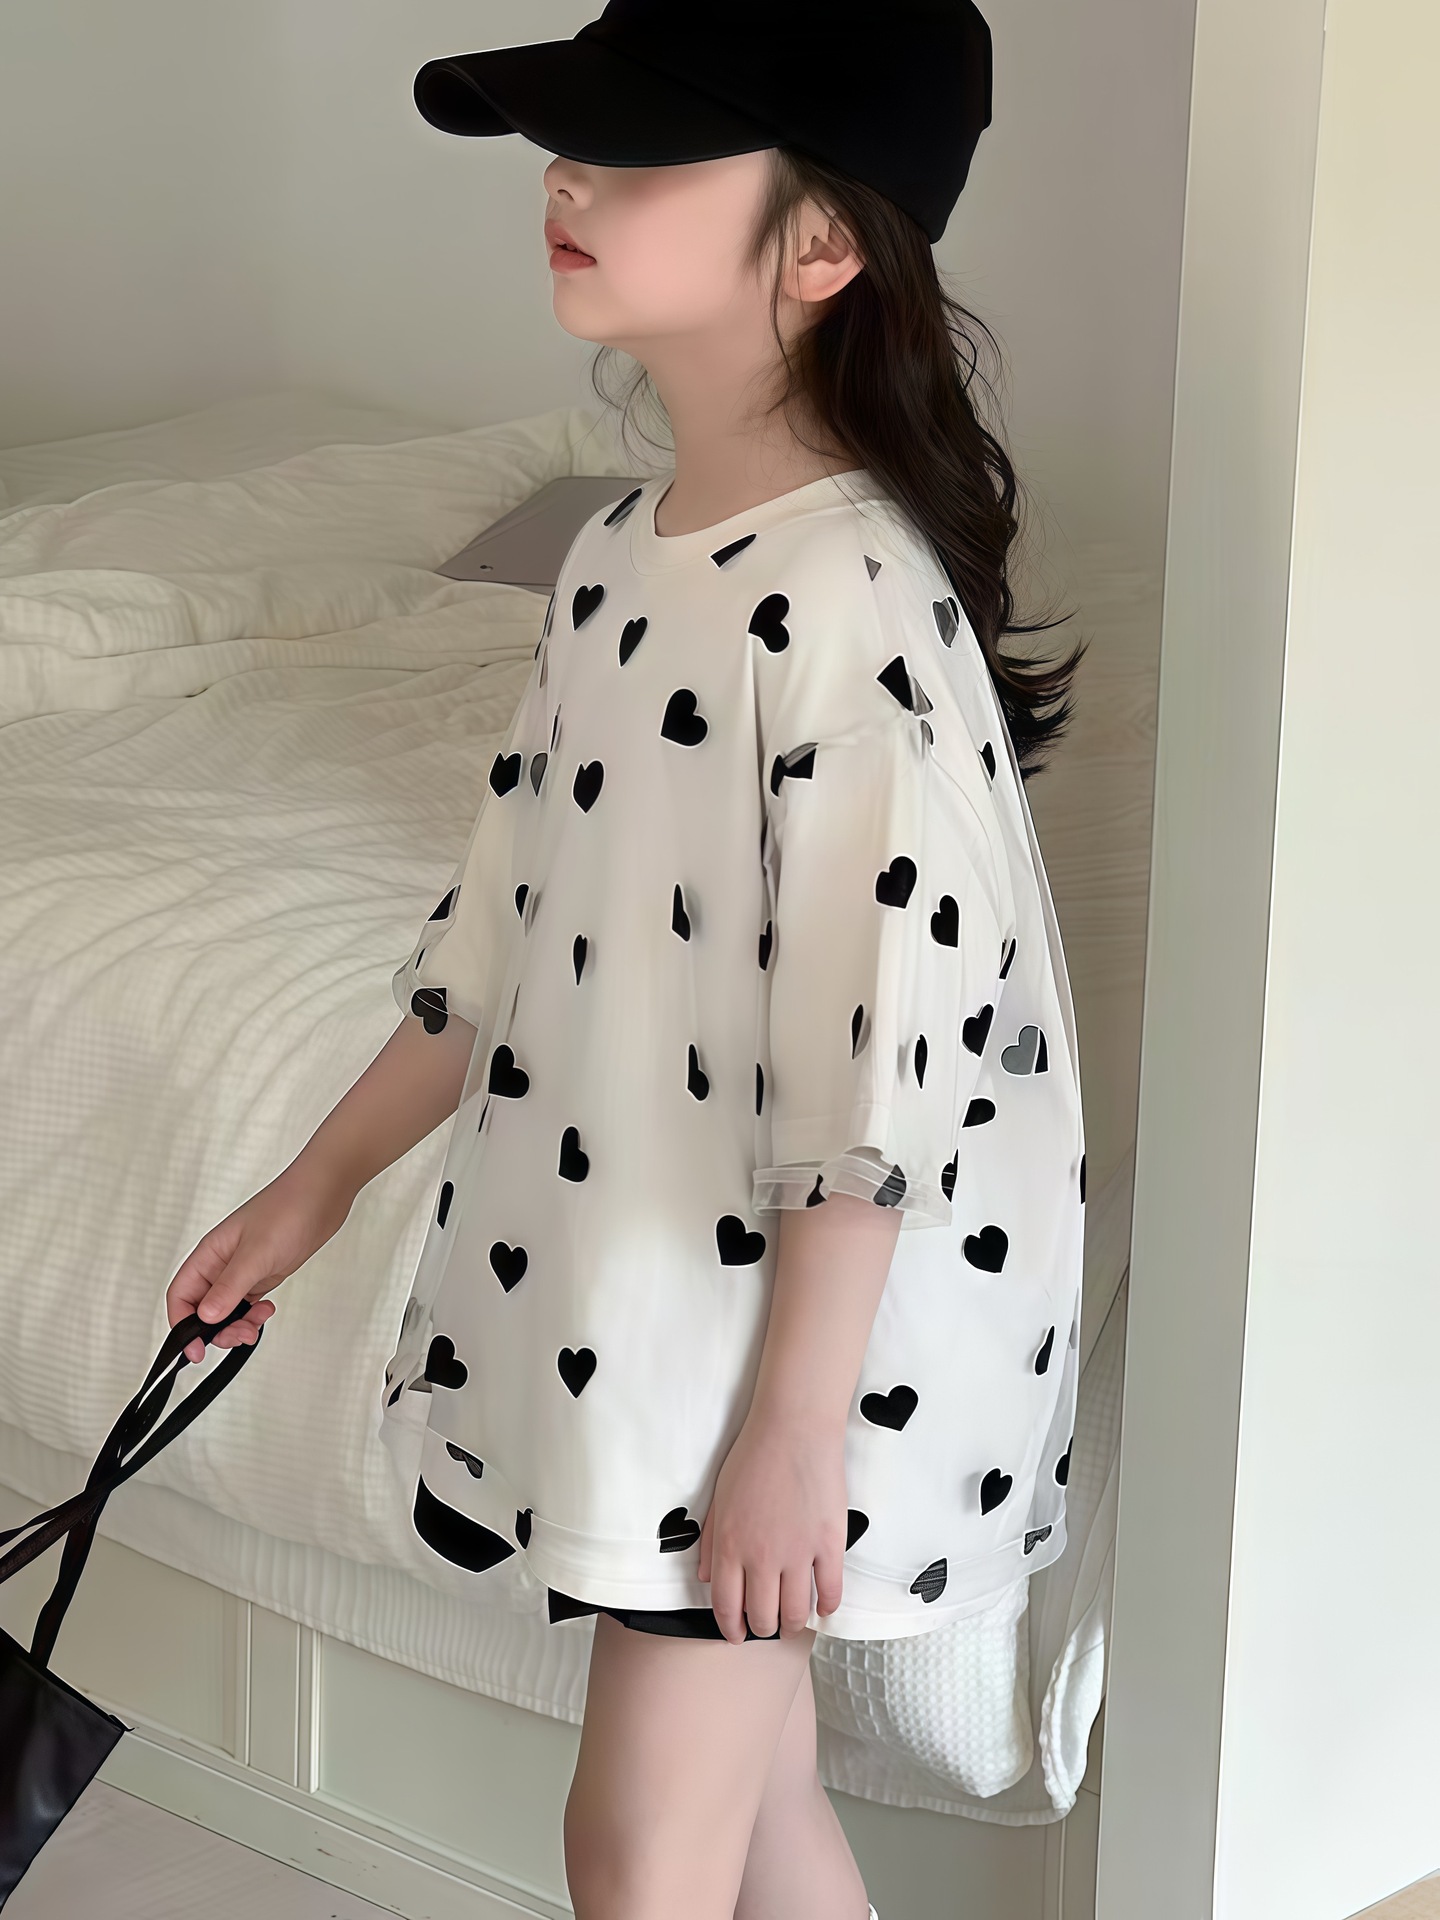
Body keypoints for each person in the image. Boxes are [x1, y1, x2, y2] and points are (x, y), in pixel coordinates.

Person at [165, 3, 1087, 1913]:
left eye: (644, 151)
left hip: (792, 1344)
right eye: (575, 140)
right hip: (659, 1294)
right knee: (754, 1809)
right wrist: (311, 1187)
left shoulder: (849, 606)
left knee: (642, 1845)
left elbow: (883, 1064)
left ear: (820, 248)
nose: (568, 179)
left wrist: (796, 1430)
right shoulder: (615, 559)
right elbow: (501, 928)